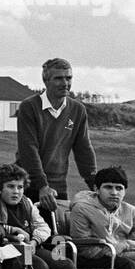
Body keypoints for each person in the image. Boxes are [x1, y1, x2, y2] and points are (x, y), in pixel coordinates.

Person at [15, 58, 98, 215]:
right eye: (59, 78)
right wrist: (41, 186)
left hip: (58, 185)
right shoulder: (29, 107)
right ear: (46, 81)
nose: (65, 83)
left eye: (69, 78)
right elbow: (28, 149)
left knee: (58, 236)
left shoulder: (77, 110)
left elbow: (83, 148)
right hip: (28, 185)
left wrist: (94, 183)